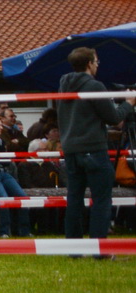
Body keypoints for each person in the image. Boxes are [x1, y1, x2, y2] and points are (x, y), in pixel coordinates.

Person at [57, 46, 133, 249]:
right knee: (101, 200)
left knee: (74, 199)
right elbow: (113, 117)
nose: (98, 65)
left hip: (71, 149)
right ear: (89, 63)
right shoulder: (94, 86)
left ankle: (73, 248)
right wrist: (128, 103)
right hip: (93, 149)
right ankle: (99, 248)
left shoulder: (64, 83)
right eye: (97, 62)